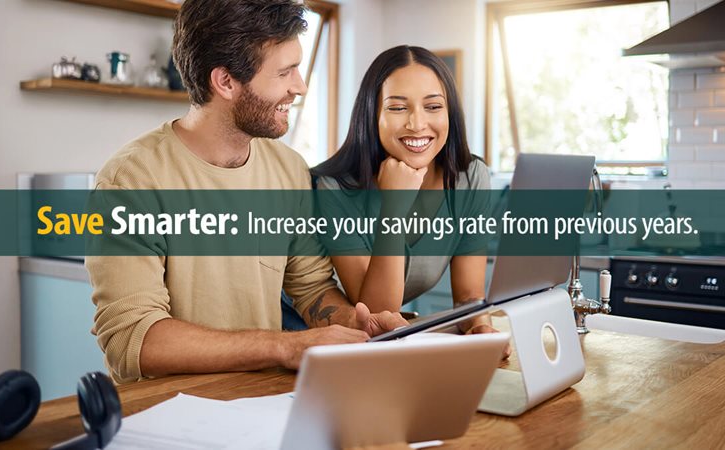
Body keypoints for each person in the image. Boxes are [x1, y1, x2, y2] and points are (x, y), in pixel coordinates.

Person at [85, 0, 405, 384]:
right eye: (284, 72)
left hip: (262, 402)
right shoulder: (132, 179)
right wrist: (285, 346)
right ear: (225, 82)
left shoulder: (288, 169)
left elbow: (312, 288)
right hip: (167, 416)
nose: (299, 87)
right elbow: (132, 342)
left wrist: (358, 325)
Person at [312, 45, 499, 336]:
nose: (417, 124)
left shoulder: (470, 177)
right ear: (372, 115)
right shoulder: (333, 188)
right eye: (398, 107)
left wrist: (479, 325)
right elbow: (376, 318)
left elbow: (468, 297)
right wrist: (394, 206)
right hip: (310, 335)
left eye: (433, 106)